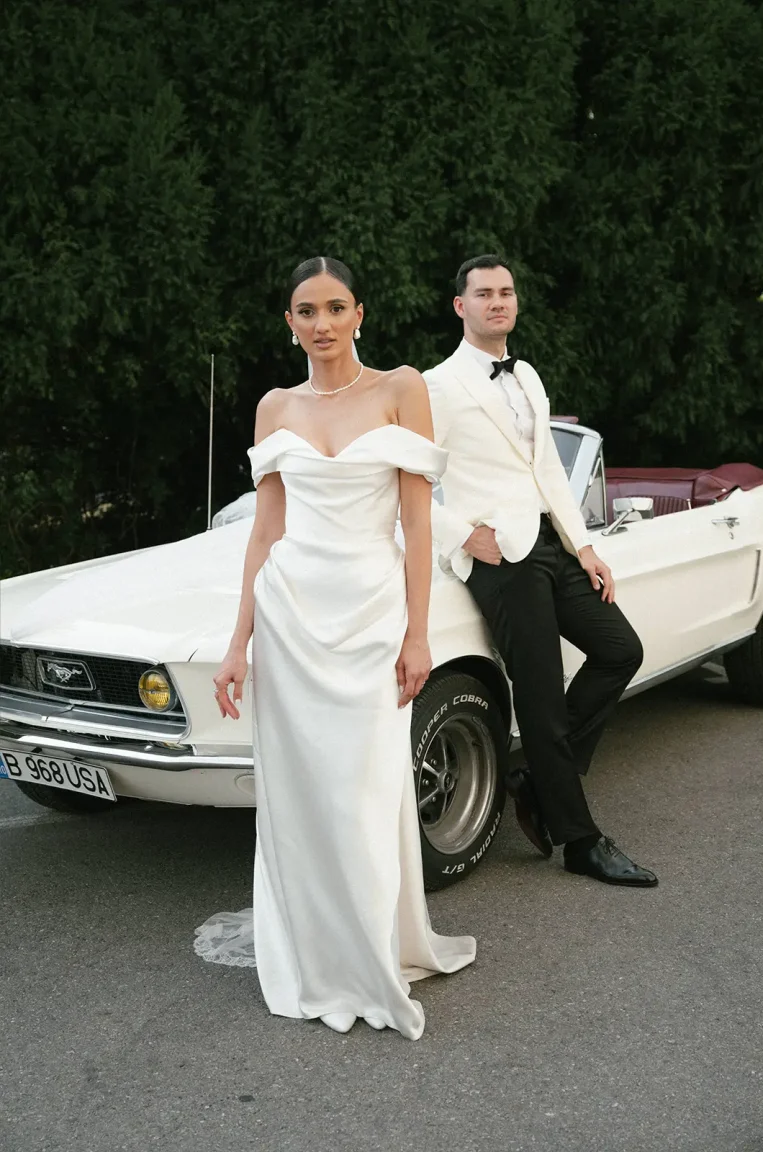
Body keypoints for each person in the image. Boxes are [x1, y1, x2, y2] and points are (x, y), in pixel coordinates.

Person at [194, 257, 475, 1039]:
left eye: (335, 307)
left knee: (365, 790)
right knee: (302, 795)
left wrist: (419, 633)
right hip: (290, 618)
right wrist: (237, 645)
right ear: (290, 323)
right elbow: (264, 531)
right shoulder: (274, 406)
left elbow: (417, 521)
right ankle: (316, 955)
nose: (322, 323)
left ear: (359, 314)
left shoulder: (400, 389)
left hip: (372, 617)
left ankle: (373, 953)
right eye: (306, 311)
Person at [423, 254, 657, 888]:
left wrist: (584, 545)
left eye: (506, 292)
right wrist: (464, 535)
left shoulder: (525, 373)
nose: (497, 301)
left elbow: (547, 467)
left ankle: (534, 779)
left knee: (620, 649)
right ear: (460, 306)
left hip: (551, 542)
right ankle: (580, 842)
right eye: (483, 294)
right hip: (500, 557)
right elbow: (404, 479)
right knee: (542, 698)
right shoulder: (437, 385)